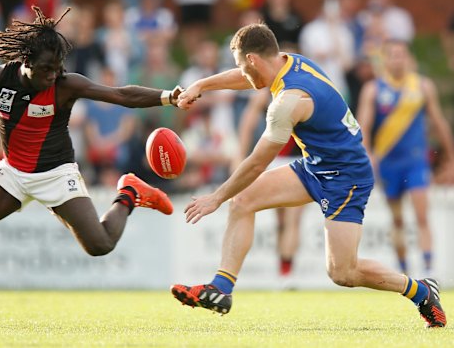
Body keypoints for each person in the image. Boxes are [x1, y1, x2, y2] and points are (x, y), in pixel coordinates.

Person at [0, 5, 181, 328]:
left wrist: (169, 97)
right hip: (13, 173)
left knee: (100, 245)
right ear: (25, 62)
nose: (52, 75)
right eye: (46, 69)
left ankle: (128, 193)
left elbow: (121, 95)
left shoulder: (66, 84)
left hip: (57, 174)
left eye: (56, 68)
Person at [170, 22, 446, 328]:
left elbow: (257, 163)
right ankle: (221, 288)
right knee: (243, 200)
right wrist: (202, 85)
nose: (242, 73)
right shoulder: (286, 61)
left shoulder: (289, 102)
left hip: (347, 176)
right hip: (316, 166)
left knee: (343, 272)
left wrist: (216, 197)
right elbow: (246, 78)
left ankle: (421, 290)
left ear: (253, 60)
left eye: (241, 64)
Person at [357, 40, 454, 275]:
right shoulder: (374, 90)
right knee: (398, 220)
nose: (398, 59)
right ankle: (405, 273)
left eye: (402, 55)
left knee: (422, 215)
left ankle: (429, 271)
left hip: (415, 161)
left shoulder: (421, 86)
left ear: (408, 58)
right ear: (385, 60)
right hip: (388, 162)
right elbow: (363, 127)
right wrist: (368, 154)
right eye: (393, 55)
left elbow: (438, 121)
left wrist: (450, 156)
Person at [235, 88, 304, 286]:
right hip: (284, 159)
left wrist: (240, 156)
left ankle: (284, 272)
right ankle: (285, 271)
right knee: (287, 222)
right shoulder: (295, 90)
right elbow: (249, 121)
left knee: (288, 221)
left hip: (279, 160)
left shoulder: (272, 90)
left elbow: (248, 122)